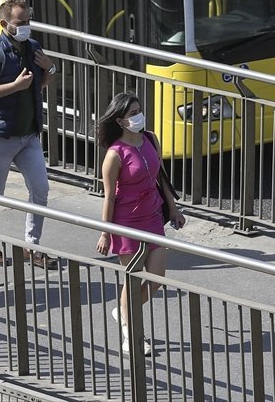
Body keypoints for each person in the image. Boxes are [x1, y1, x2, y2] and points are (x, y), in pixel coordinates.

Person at [94, 92, 185, 356]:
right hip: (126, 223)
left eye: (138, 110)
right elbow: (109, 196)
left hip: (153, 217)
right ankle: (132, 334)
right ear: (120, 121)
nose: (138, 116)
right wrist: (106, 233)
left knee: (156, 279)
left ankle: (123, 310)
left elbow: (161, 178)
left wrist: (174, 208)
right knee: (133, 281)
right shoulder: (114, 154)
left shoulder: (150, 139)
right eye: (132, 113)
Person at [0, 0, 59, 269]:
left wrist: (51, 68)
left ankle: (32, 247)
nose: (26, 27)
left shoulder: (32, 48)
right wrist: (15, 87)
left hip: (28, 135)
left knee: (40, 189)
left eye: (28, 21)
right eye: (20, 23)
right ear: (4, 23)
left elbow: (37, 83)